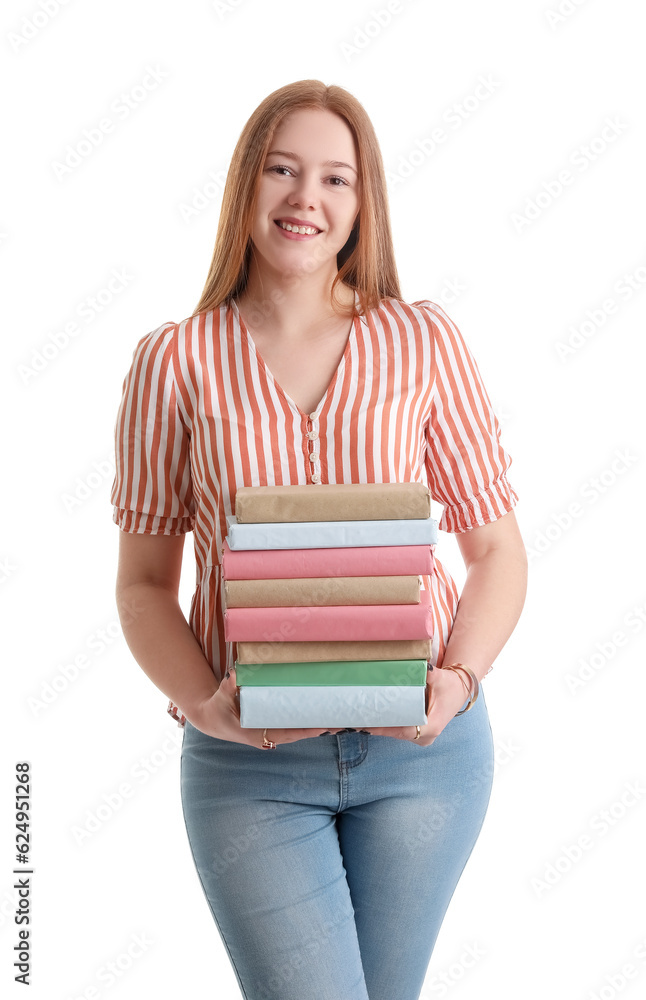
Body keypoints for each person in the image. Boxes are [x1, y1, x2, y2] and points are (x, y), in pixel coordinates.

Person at [111, 79, 527, 1000]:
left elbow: (496, 551)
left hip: (426, 757)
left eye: (337, 179)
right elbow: (143, 582)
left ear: (361, 205)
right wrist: (202, 703)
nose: (307, 198)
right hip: (248, 763)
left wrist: (456, 684)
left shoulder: (423, 342)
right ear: (245, 187)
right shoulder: (173, 360)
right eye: (283, 169)